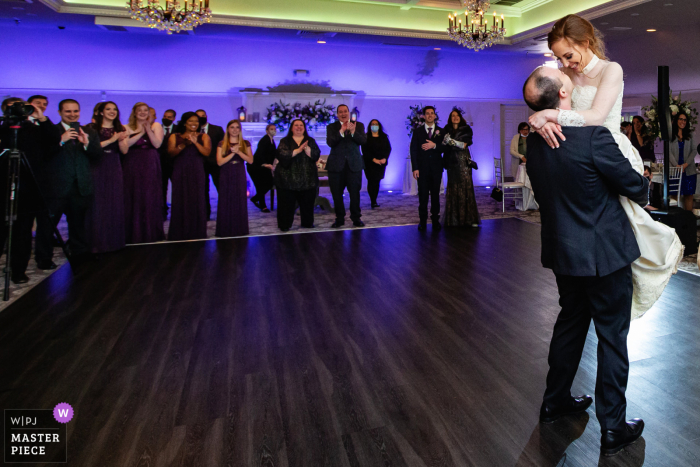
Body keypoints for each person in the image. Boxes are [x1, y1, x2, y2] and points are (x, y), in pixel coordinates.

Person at [523, 63, 649, 458]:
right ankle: (613, 426)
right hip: (605, 255)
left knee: (570, 324)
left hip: (564, 252)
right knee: (612, 336)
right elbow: (638, 189)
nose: (568, 77)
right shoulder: (593, 137)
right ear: (563, 94)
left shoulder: (536, 143)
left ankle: (555, 400)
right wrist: (638, 178)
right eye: (561, 77)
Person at [527, 14, 683, 320]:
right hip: (579, 157)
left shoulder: (612, 70)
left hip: (608, 149)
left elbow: (597, 116)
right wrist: (539, 119)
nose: (565, 63)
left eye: (568, 55)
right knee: (592, 222)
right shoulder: (563, 76)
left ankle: (619, 291)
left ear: (585, 43)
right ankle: (597, 288)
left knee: (623, 228)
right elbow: (550, 98)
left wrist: (550, 117)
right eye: (559, 57)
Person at [0, 97, 61, 282]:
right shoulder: (2, 129)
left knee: (23, 232)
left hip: (28, 188)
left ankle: (18, 271)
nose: (18, 111)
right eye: (13, 108)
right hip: (3, 185)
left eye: (21, 107)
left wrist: (41, 117)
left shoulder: (33, 130)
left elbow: (54, 139)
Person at [44, 99, 102, 264]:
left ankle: (79, 253)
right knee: (49, 225)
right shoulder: (51, 131)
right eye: (68, 111)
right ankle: (44, 258)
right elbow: (44, 156)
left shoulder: (89, 132)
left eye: (75, 111)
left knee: (78, 224)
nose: (72, 114)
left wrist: (86, 144)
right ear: (60, 112)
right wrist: (61, 140)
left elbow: (97, 156)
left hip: (81, 186)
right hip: (57, 186)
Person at [86, 101, 127, 254]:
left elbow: (124, 151)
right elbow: (91, 148)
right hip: (97, 166)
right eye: (108, 109)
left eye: (115, 109)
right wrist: (112, 140)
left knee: (114, 201)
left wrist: (122, 139)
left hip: (114, 165)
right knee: (98, 202)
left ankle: (113, 241)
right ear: (101, 112)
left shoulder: (119, 128)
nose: (112, 111)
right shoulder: (91, 128)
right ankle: (96, 242)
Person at [26, 95, 61, 271]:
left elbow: (55, 140)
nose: (42, 106)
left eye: (45, 104)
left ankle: (44, 258)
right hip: (24, 178)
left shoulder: (46, 124)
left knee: (46, 222)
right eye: (38, 103)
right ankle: (18, 263)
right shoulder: (21, 124)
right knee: (22, 224)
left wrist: (42, 119)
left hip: (45, 180)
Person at [123, 102, 165, 243]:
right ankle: (134, 232)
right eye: (139, 110)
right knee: (133, 195)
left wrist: (148, 130)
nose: (142, 113)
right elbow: (126, 146)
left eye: (145, 110)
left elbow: (157, 144)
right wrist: (140, 132)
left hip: (150, 164)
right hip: (132, 164)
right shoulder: (126, 127)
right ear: (134, 112)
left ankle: (151, 231)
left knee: (149, 195)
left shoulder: (156, 126)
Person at [167, 112, 210, 241]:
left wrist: (195, 143)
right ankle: (179, 231)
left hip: (197, 170)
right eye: (191, 121)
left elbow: (206, 152)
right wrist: (184, 144)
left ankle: (197, 231)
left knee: (197, 198)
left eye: (196, 121)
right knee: (180, 198)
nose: (194, 124)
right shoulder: (175, 136)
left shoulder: (204, 136)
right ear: (185, 123)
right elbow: (171, 153)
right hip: (180, 169)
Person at [275, 119, 321, 232]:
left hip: (307, 180)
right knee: (286, 205)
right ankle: (284, 225)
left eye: (301, 125)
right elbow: (281, 155)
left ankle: (307, 223)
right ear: (291, 128)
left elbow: (316, 155)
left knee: (307, 204)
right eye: (296, 125)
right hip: (287, 181)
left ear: (304, 128)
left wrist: (308, 150)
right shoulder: (285, 141)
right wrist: (298, 150)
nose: (299, 127)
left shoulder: (310, 141)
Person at [326, 104, 366, 228]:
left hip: (354, 165)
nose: (343, 114)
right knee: (337, 194)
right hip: (336, 166)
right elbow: (330, 142)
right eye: (340, 112)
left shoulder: (358, 125)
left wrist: (353, 132)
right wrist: (341, 131)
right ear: (337, 114)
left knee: (355, 193)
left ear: (348, 112)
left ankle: (356, 218)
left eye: (345, 111)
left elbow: (363, 141)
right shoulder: (332, 127)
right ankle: (339, 218)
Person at [442, 109, 480, 227]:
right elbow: (443, 145)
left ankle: (469, 219)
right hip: (451, 162)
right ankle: (454, 219)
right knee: (453, 188)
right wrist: (445, 142)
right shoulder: (446, 129)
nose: (455, 117)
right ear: (450, 118)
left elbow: (464, 145)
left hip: (463, 161)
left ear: (460, 117)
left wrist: (451, 141)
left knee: (465, 187)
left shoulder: (466, 129)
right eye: (453, 116)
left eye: (457, 115)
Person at [216, 120, 253, 237]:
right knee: (225, 199)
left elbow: (250, 160)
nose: (235, 130)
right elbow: (219, 162)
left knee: (240, 199)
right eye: (232, 127)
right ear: (228, 129)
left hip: (239, 172)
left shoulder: (245, 143)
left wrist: (239, 152)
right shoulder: (222, 143)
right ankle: (225, 229)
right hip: (226, 172)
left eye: (237, 127)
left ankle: (240, 228)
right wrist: (232, 153)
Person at [410, 106, 444, 231]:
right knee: (423, 196)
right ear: (423, 116)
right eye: (427, 113)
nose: (430, 115)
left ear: (435, 116)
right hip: (422, 169)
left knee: (435, 195)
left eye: (432, 113)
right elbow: (413, 150)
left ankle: (435, 220)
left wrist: (434, 145)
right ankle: (422, 221)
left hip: (436, 169)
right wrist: (415, 168)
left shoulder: (441, 131)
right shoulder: (417, 131)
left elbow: (445, 147)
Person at [196, 109, 225, 218]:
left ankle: (224, 212)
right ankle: (205, 213)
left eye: (203, 115)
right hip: (200, 164)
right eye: (199, 116)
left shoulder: (217, 129)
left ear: (207, 116)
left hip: (216, 163)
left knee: (221, 187)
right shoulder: (194, 131)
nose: (201, 117)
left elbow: (223, 145)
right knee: (203, 189)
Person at [669, 111, 697, 211]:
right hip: (674, 170)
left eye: (685, 120)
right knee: (673, 196)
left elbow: (694, 150)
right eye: (681, 119)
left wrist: (685, 165)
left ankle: (688, 222)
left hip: (689, 170)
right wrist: (676, 165)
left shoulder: (690, 135)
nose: (683, 121)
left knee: (688, 196)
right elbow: (667, 151)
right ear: (676, 120)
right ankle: (675, 222)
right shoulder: (670, 134)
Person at [361, 119, 391, 208]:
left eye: (376, 124)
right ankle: (373, 201)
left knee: (377, 181)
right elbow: (364, 150)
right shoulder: (366, 137)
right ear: (370, 126)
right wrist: (373, 159)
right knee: (371, 181)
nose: (374, 125)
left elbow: (388, 149)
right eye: (373, 124)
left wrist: (385, 158)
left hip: (381, 163)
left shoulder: (384, 136)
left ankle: (375, 199)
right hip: (370, 163)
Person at [248, 124, 277, 212]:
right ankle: (263, 206)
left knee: (269, 183)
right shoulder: (264, 140)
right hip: (256, 167)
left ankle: (256, 199)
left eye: (274, 129)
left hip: (263, 166)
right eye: (271, 129)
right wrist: (265, 164)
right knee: (261, 186)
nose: (273, 130)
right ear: (267, 131)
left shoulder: (271, 140)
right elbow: (260, 153)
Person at [160, 109, 177, 219]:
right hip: (161, 163)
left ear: (174, 118)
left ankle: (177, 211)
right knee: (161, 188)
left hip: (174, 164)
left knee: (177, 188)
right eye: (165, 116)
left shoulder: (178, 130)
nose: (166, 119)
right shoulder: (157, 129)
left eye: (169, 117)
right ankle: (162, 211)